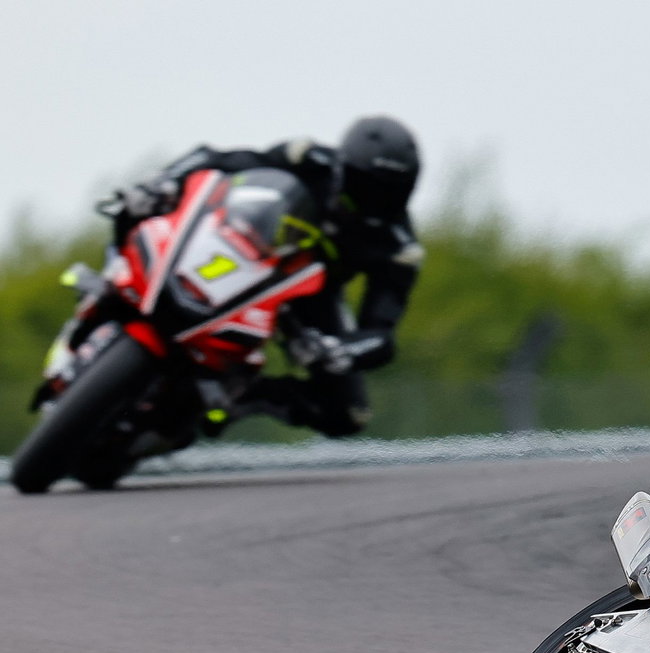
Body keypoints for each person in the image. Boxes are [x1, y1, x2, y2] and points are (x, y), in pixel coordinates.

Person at [113, 116, 424, 437]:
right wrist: (164, 181)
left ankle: (244, 394)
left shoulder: (400, 248)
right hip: (247, 245)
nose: (376, 198)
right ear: (345, 167)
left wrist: (340, 350)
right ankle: (112, 281)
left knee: (349, 415)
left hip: (307, 298)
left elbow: (381, 335)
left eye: (391, 190)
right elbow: (218, 159)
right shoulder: (307, 158)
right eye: (368, 184)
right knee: (133, 208)